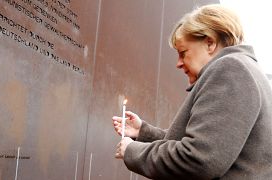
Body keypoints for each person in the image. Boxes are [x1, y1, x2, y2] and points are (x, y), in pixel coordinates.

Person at [112, 4, 272, 180]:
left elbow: (199, 159)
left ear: (210, 43)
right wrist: (143, 132)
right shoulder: (248, 71)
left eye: (183, 52)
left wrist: (131, 150)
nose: (178, 63)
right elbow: (212, 143)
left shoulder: (230, 70)